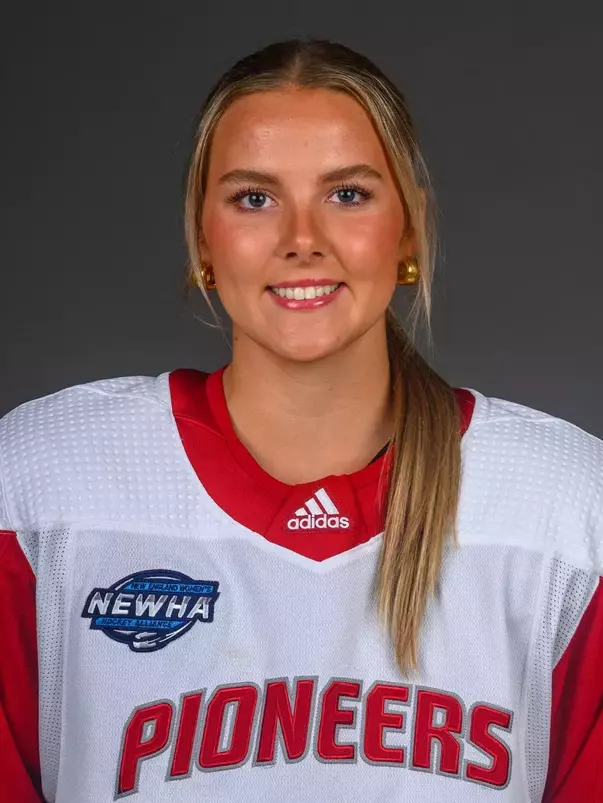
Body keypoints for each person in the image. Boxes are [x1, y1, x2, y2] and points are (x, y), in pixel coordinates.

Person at [1, 37, 601, 803]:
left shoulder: (565, 513)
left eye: (347, 194)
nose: (301, 239)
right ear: (202, 238)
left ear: (408, 228)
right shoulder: (41, 488)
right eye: (254, 197)